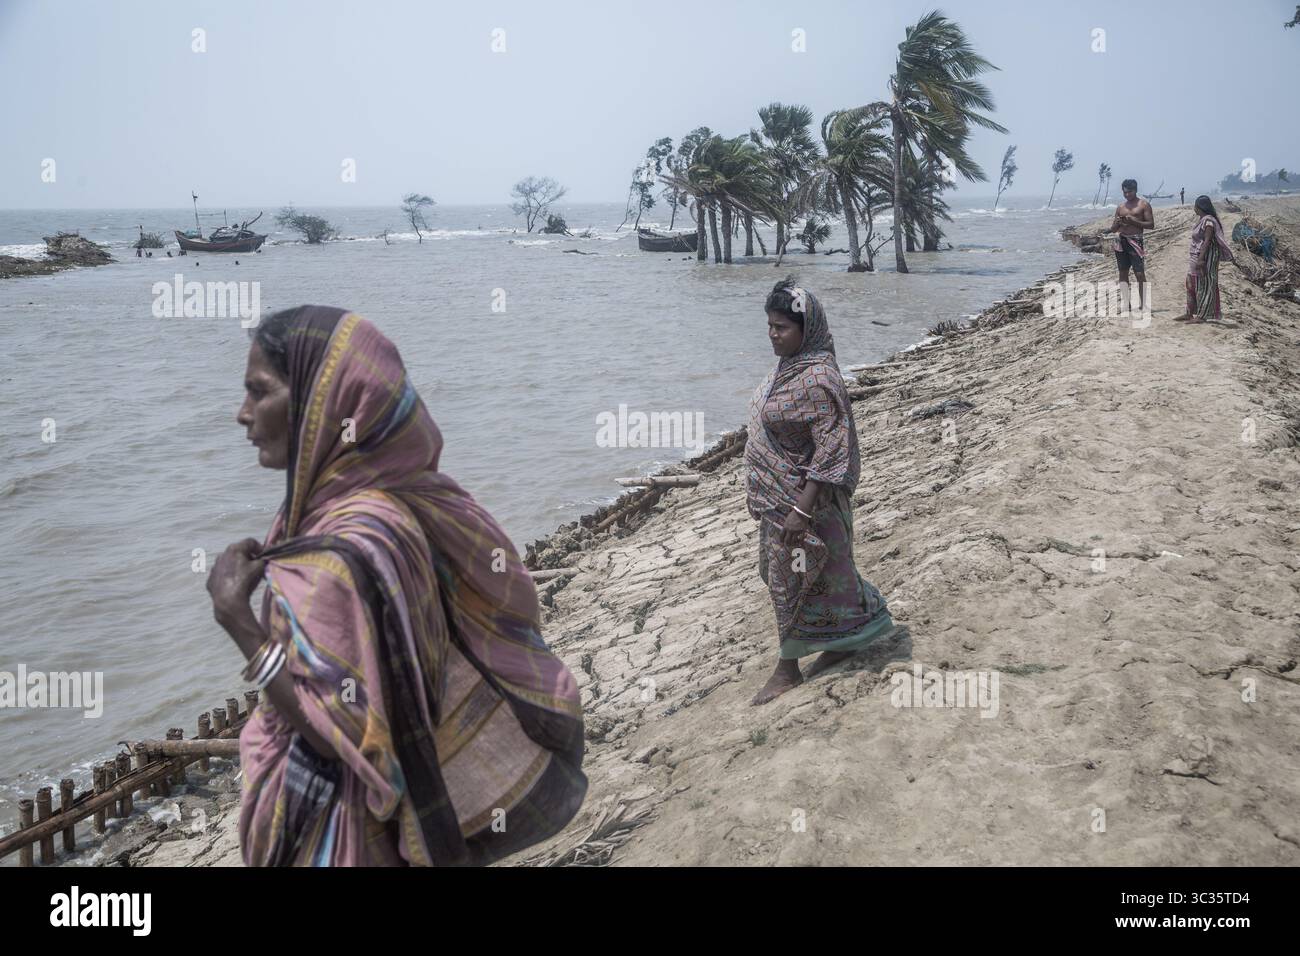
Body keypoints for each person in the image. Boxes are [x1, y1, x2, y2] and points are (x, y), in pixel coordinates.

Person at [206, 305, 587, 865]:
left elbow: (341, 734)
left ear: (321, 404)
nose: (242, 414)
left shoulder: (340, 553)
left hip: (350, 829)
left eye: (259, 392)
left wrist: (237, 619)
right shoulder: (397, 506)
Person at [744, 279, 895, 705]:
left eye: (782, 328)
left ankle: (787, 669)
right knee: (822, 576)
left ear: (805, 330)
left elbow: (833, 446)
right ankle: (845, 639)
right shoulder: (789, 368)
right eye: (770, 326)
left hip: (807, 505)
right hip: (782, 501)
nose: (773, 334)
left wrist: (802, 510)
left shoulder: (818, 378)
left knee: (788, 578)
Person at [1174, 196, 1234, 324]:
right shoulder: (1202, 220)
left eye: (1195, 206)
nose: (1194, 209)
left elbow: (1206, 241)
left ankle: (1202, 315)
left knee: (1204, 285)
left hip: (1205, 257)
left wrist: (1201, 260)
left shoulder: (1209, 221)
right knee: (1191, 283)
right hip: (1196, 255)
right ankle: (1189, 312)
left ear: (1200, 207)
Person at [1102, 179, 1154, 311]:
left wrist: (1133, 221)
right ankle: (1127, 303)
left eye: (1129, 192)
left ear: (1135, 190)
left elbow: (1151, 225)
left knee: (1139, 273)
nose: (1127, 195)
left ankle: (1144, 304)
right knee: (1123, 273)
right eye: (1124, 192)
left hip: (1135, 241)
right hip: (1121, 241)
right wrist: (1117, 224)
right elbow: (1114, 228)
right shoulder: (1121, 207)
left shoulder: (1143, 205)